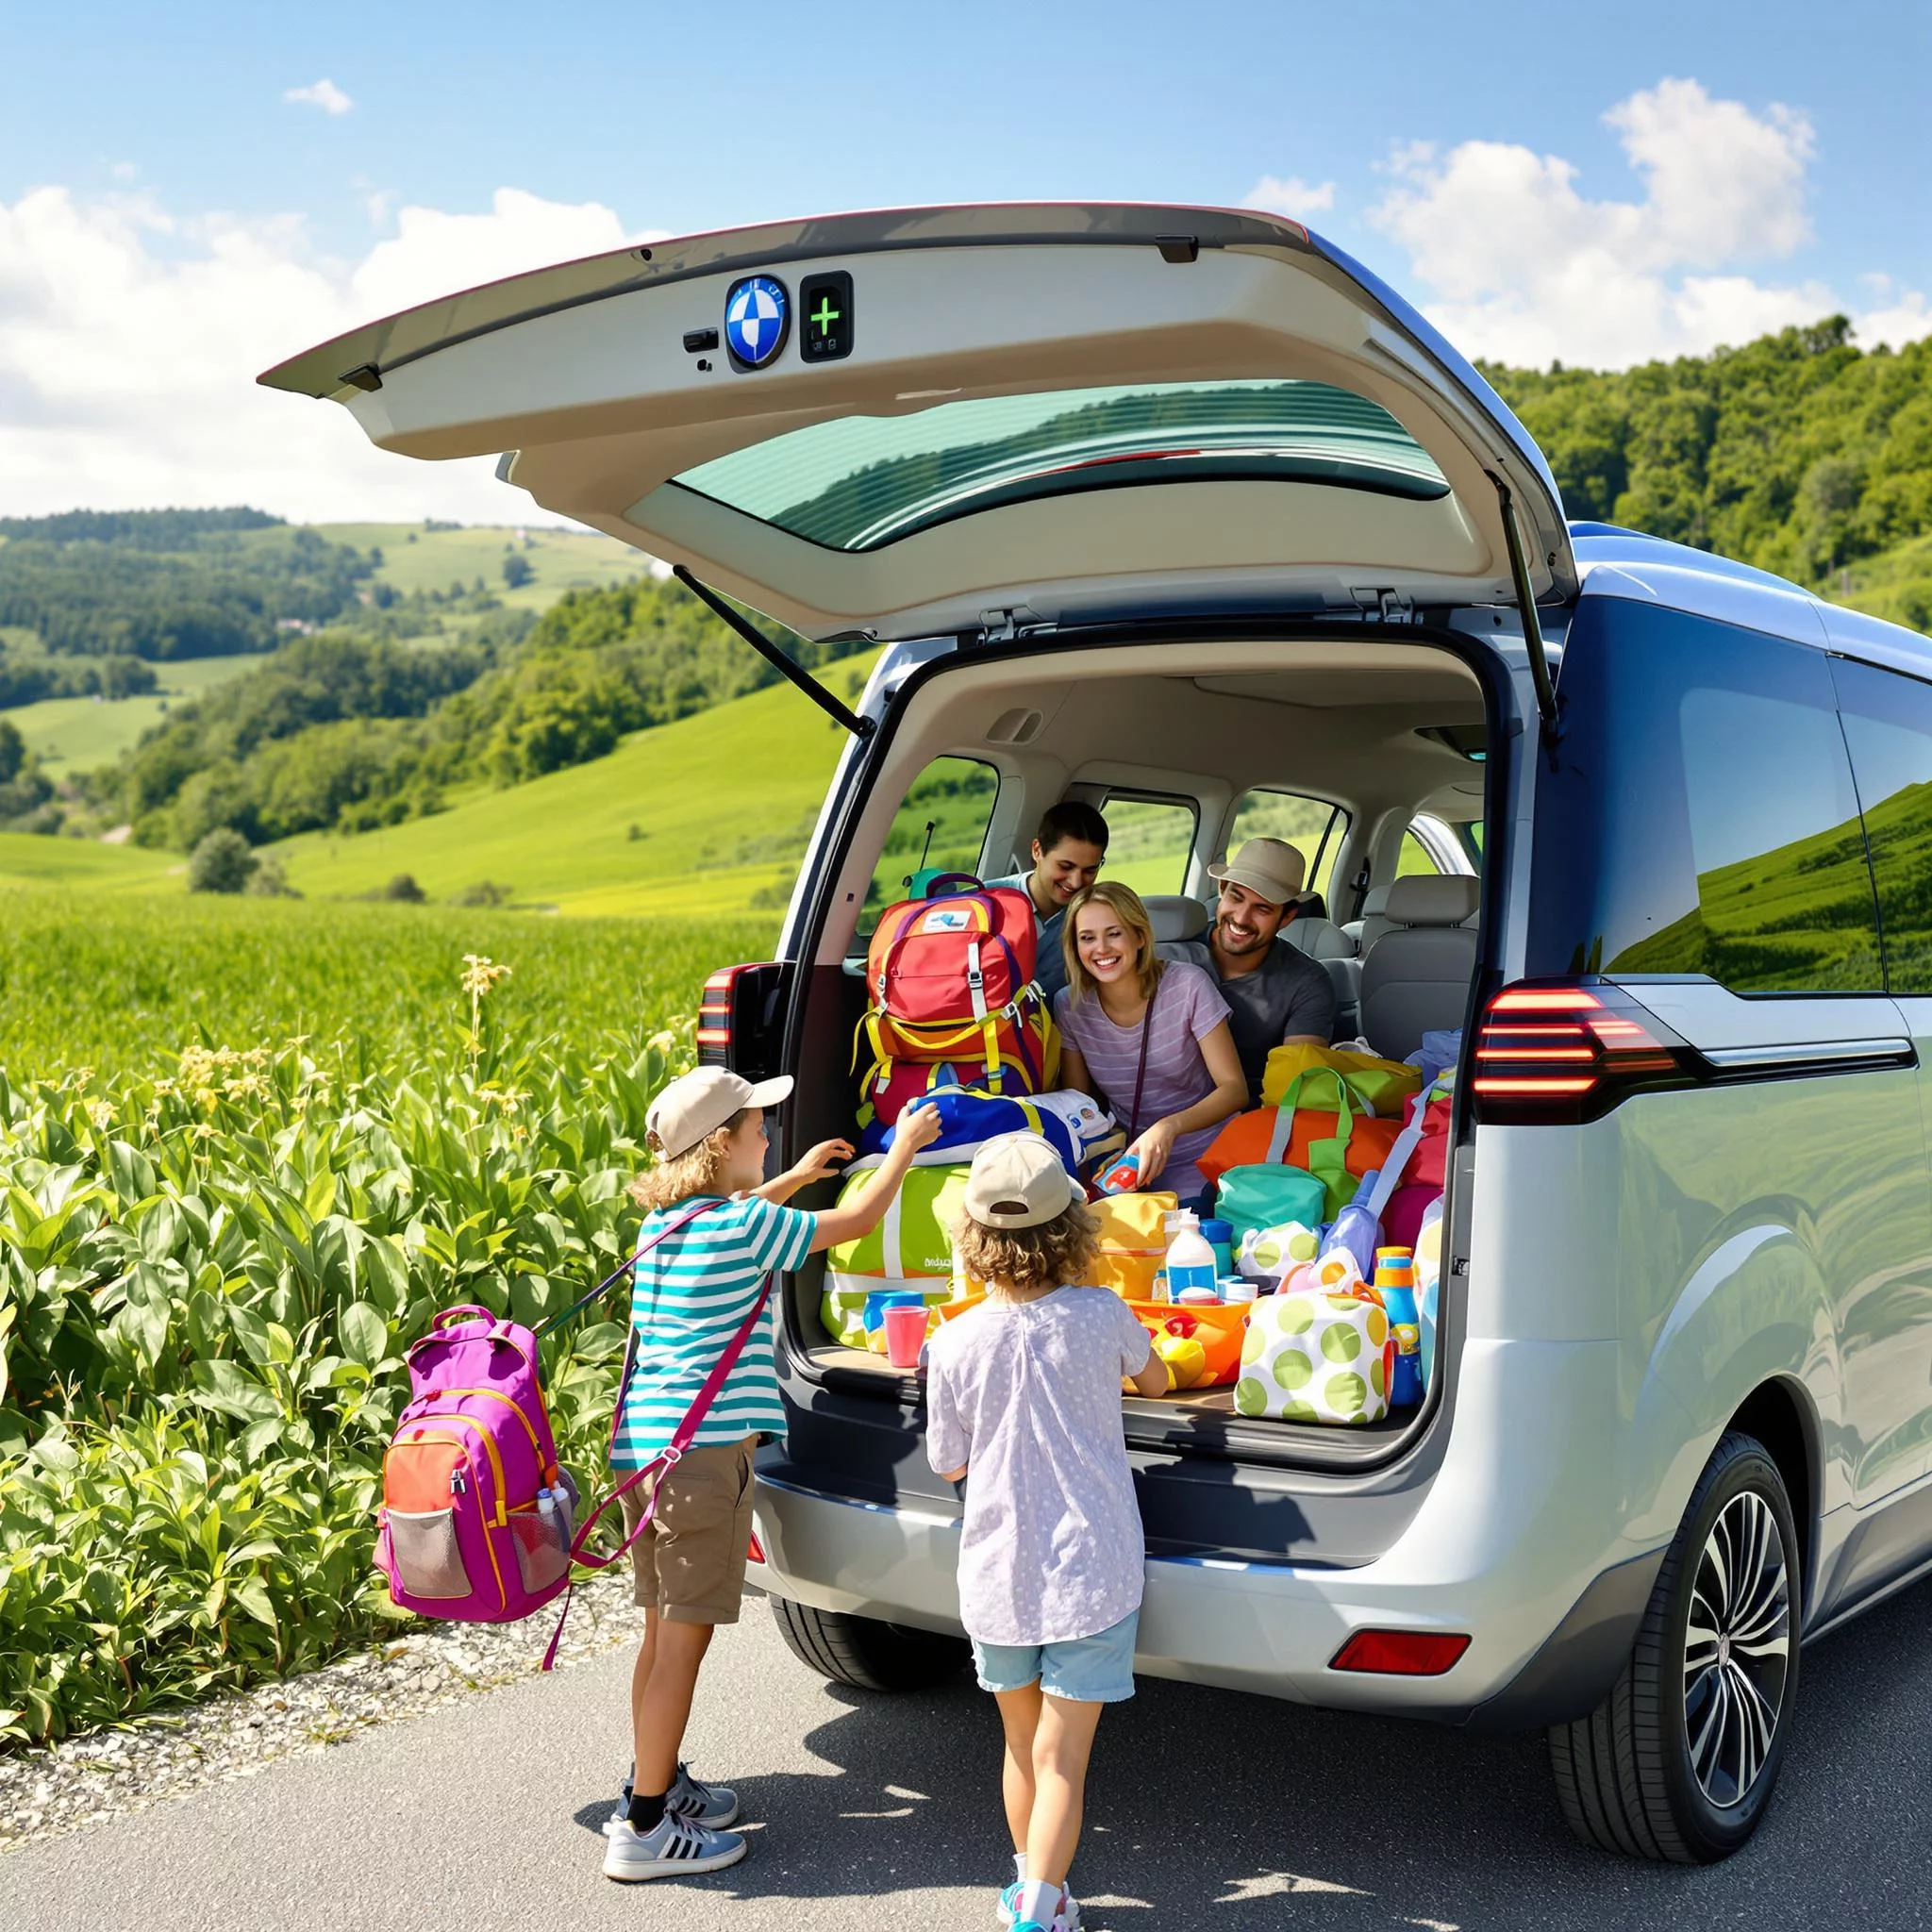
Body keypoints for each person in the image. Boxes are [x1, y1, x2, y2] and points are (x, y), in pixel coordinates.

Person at [602, 1064, 942, 1884]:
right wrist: (904, 1146)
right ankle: (644, 1828)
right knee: (683, 1645)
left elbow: (745, 1214)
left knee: (658, 1635)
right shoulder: (745, 1228)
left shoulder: (668, 1226)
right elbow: (857, 1218)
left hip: (645, 1452)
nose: (769, 1134)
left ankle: (656, 1780)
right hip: (702, 1459)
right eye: (758, 1126)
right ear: (721, 1146)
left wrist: (795, 1177)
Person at [925, 1132, 1171, 1932]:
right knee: (1063, 1756)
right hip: (1093, 1570)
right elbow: (1159, 1379)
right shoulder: (1102, 1313)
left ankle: (1031, 1885)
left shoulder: (951, 1342)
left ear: (972, 1238)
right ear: (1071, 1228)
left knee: (1021, 1744)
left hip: (997, 1575)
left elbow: (948, 1463)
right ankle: (1040, 1907)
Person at [1052, 880, 1246, 1207]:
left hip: (1207, 1160)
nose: (1101, 948)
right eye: (1087, 938)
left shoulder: (1188, 985)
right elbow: (1079, 1104)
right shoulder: (1070, 1005)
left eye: (1114, 933)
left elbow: (1234, 1089)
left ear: (1140, 936)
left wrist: (1168, 1127)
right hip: (1127, 1168)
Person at [1200, 837, 1338, 1105]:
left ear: (1287, 917)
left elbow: (1295, 1088)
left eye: (1262, 909)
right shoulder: (1175, 955)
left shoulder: (1308, 983)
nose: (1241, 918)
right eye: (1236, 897)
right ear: (1222, 889)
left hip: (1255, 1114)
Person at [989, 800, 1109, 1006]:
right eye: (1065, 866)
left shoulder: (1097, 917)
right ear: (1037, 850)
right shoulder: (985, 903)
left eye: (1090, 870)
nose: (1076, 882)